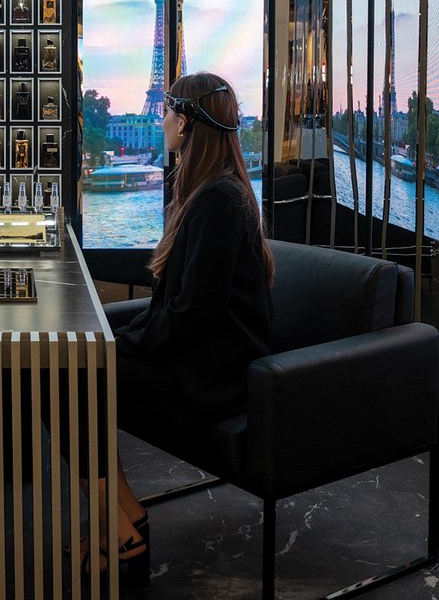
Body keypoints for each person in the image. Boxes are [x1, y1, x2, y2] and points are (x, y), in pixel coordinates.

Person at [87, 72, 275, 582]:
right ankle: (122, 518)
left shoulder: (216, 200)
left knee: (66, 376)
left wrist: (127, 343)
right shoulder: (214, 191)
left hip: (212, 379)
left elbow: (193, 314)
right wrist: (123, 342)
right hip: (202, 361)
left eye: (169, 111)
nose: (162, 119)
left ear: (188, 123)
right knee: (68, 368)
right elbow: (183, 307)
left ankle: (124, 524)